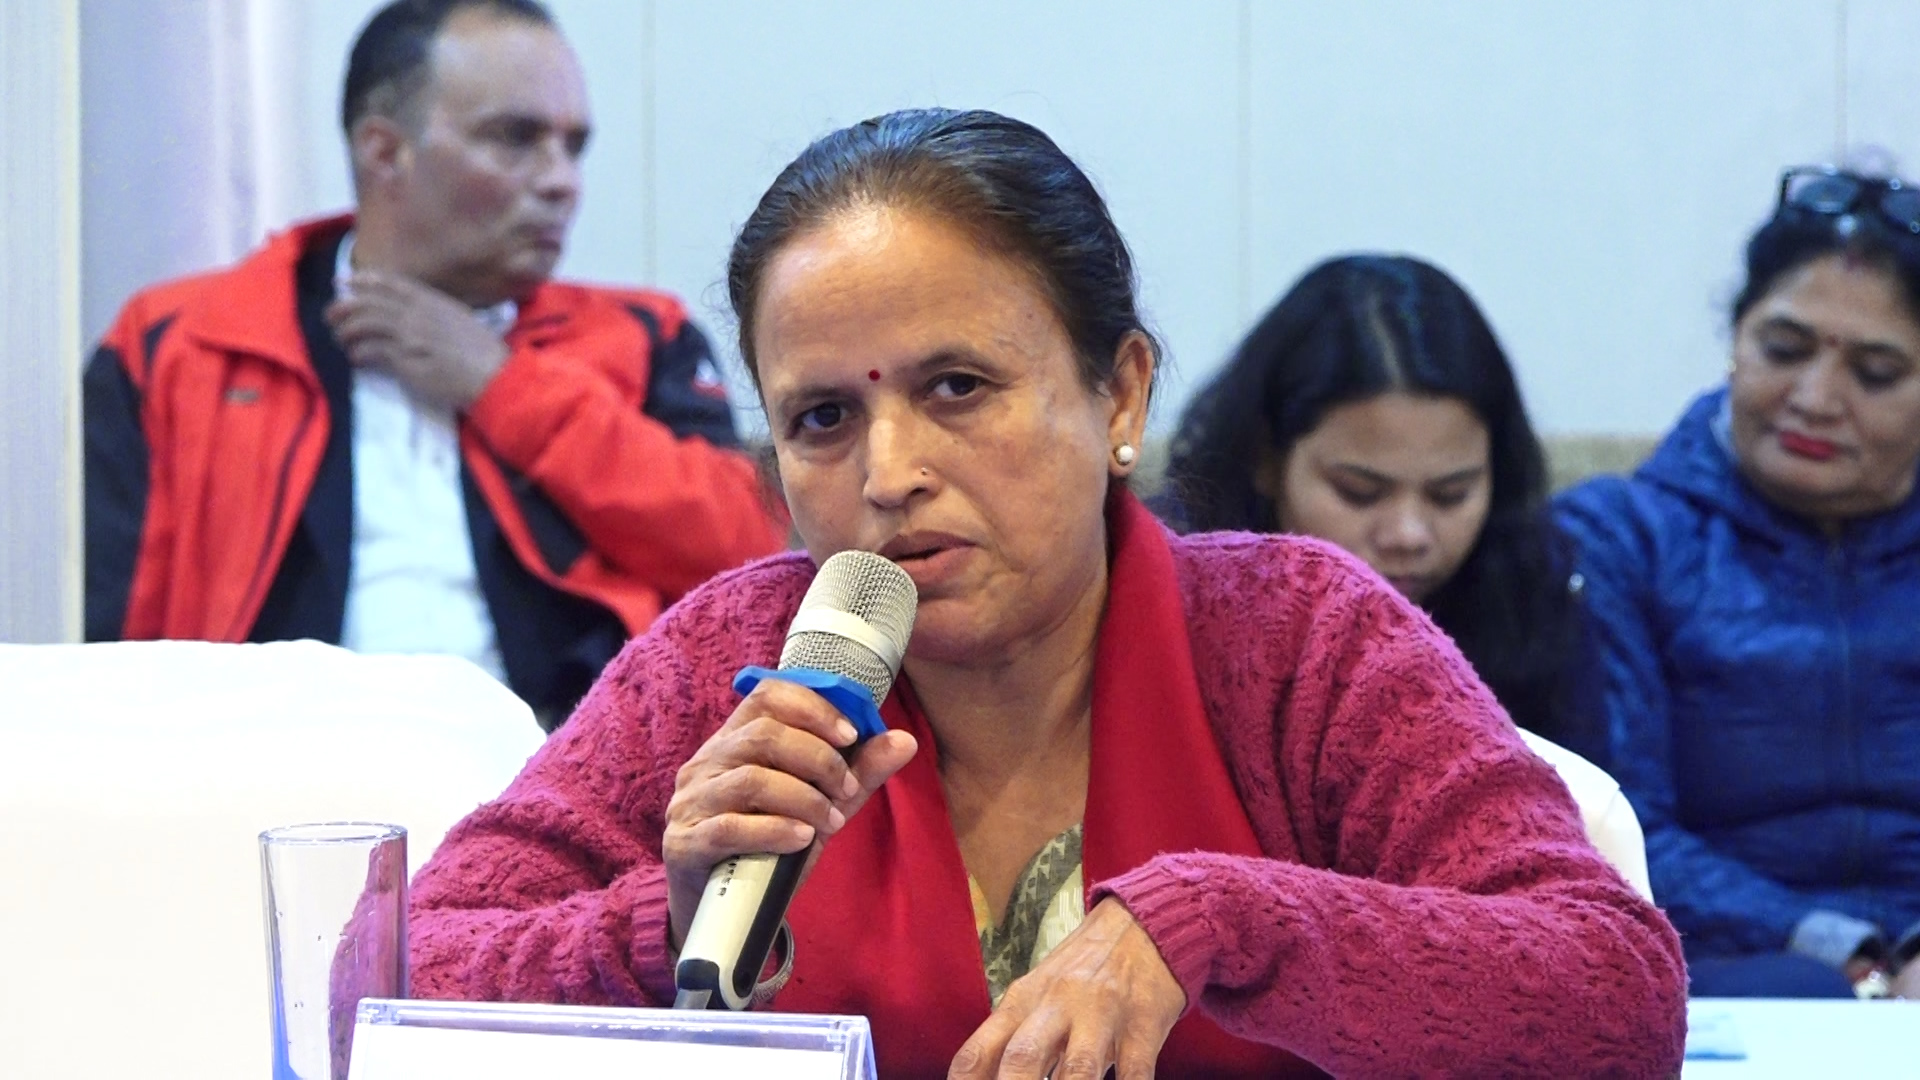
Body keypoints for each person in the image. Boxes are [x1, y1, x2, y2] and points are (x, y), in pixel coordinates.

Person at [405, 109, 1685, 1077]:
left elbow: (1616, 995)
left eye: (958, 388)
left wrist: (1220, 919)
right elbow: (403, 982)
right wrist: (660, 927)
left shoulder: (1297, 637)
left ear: (1119, 395)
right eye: (823, 419)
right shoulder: (729, 657)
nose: (890, 475)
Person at [82, 0, 787, 727]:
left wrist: (499, 383)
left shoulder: (642, 336)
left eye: (573, 146)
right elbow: (100, 640)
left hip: (557, 762)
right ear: (385, 151)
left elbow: (748, 548)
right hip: (263, 761)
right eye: (516, 139)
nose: (562, 180)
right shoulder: (182, 344)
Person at [1160, 255, 1648, 898]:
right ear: (1265, 461)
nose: (1409, 534)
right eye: (1360, 492)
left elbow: (1590, 840)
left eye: (1451, 494)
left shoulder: (1535, 592)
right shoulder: (1173, 593)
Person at [1558, 165, 1920, 1000]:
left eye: (1875, 373)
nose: (1816, 399)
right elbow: (1615, 825)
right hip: (1728, 966)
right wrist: (1849, 953)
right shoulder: (1619, 537)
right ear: (1735, 342)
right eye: (1783, 351)